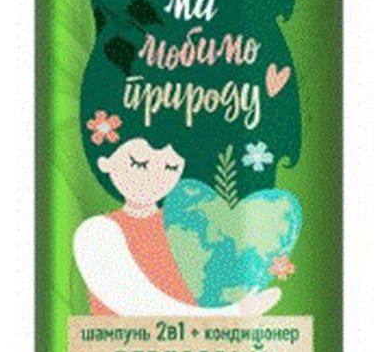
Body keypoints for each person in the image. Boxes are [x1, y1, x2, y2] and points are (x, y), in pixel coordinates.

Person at [73, 131, 281, 318]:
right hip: (122, 343)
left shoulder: (185, 223)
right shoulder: (97, 232)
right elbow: (134, 302)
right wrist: (234, 313)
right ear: (105, 162)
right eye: (139, 164)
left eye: (170, 167)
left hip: (198, 341)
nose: (154, 177)